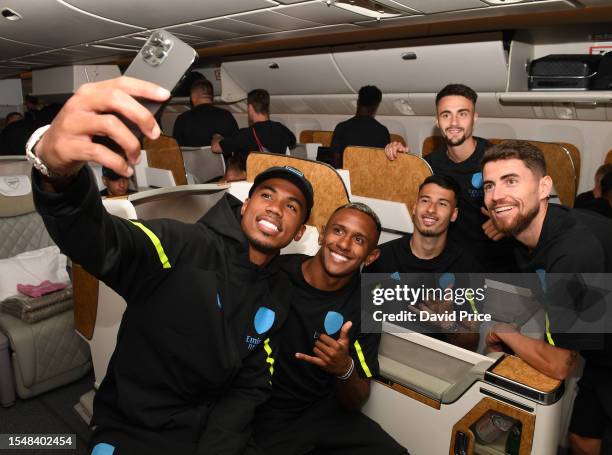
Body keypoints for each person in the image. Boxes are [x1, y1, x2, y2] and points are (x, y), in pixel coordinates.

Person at [27, 76, 314, 455]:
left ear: (298, 232)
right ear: (245, 205)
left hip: (211, 433)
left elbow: (252, 383)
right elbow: (100, 241)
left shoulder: (277, 291)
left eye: (292, 206)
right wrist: (56, 173)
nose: (276, 208)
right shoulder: (182, 244)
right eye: (266, 195)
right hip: (136, 427)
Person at [481, 140, 612, 455]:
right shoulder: (531, 231)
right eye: (489, 185)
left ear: (544, 187)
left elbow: (559, 364)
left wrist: (505, 333)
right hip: (602, 346)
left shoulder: (573, 252)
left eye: (511, 181)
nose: (497, 195)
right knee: (582, 439)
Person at [254, 203, 407, 455]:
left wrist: (344, 368)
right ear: (323, 234)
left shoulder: (366, 304)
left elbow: (357, 400)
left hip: (321, 412)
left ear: (371, 256)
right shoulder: (276, 272)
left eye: (358, 239)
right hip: (264, 410)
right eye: (338, 231)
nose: (344, 244)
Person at [383, 83, 514, 271]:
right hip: (450, 264)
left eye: (462, 114)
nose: (453, 123)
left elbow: (535, 210)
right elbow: (409, 205)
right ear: (437, 121)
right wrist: (402, 163)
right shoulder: (428, 165)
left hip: (495, 263)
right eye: (446, 115)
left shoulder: (499, 160)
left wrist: (509, 224)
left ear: (474, 118)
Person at [364, 175, 481, 351]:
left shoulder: (467, 268)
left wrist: (448, 324)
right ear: (415, 207)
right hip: (384, 355)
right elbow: (362, 322)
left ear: (454, 214)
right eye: (425, 200)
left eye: (442, 204)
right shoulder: (380, 257)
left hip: (435, 364)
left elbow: (471, 343)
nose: (431, 209)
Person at [211, 88, 296, 159]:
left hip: (256, 178)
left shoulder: (245, 135)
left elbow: (216, 148)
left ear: (250, 108)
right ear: (267, 107)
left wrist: (216, 136)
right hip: (276, 176)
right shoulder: (280, 128)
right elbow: (293, 142)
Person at [326, 85, 391, 168]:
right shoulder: (383, 131)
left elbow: (335, 163)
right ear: (376, 106)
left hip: (346, 179)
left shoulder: (341, 128)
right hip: (371, 179)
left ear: (358, 102)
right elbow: (383, 164)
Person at [172, 78, 238, 147]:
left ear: (193, 97)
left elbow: (175, 150)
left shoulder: (182, 119)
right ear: (211, 96)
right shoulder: (227, 116)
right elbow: (236, 145)